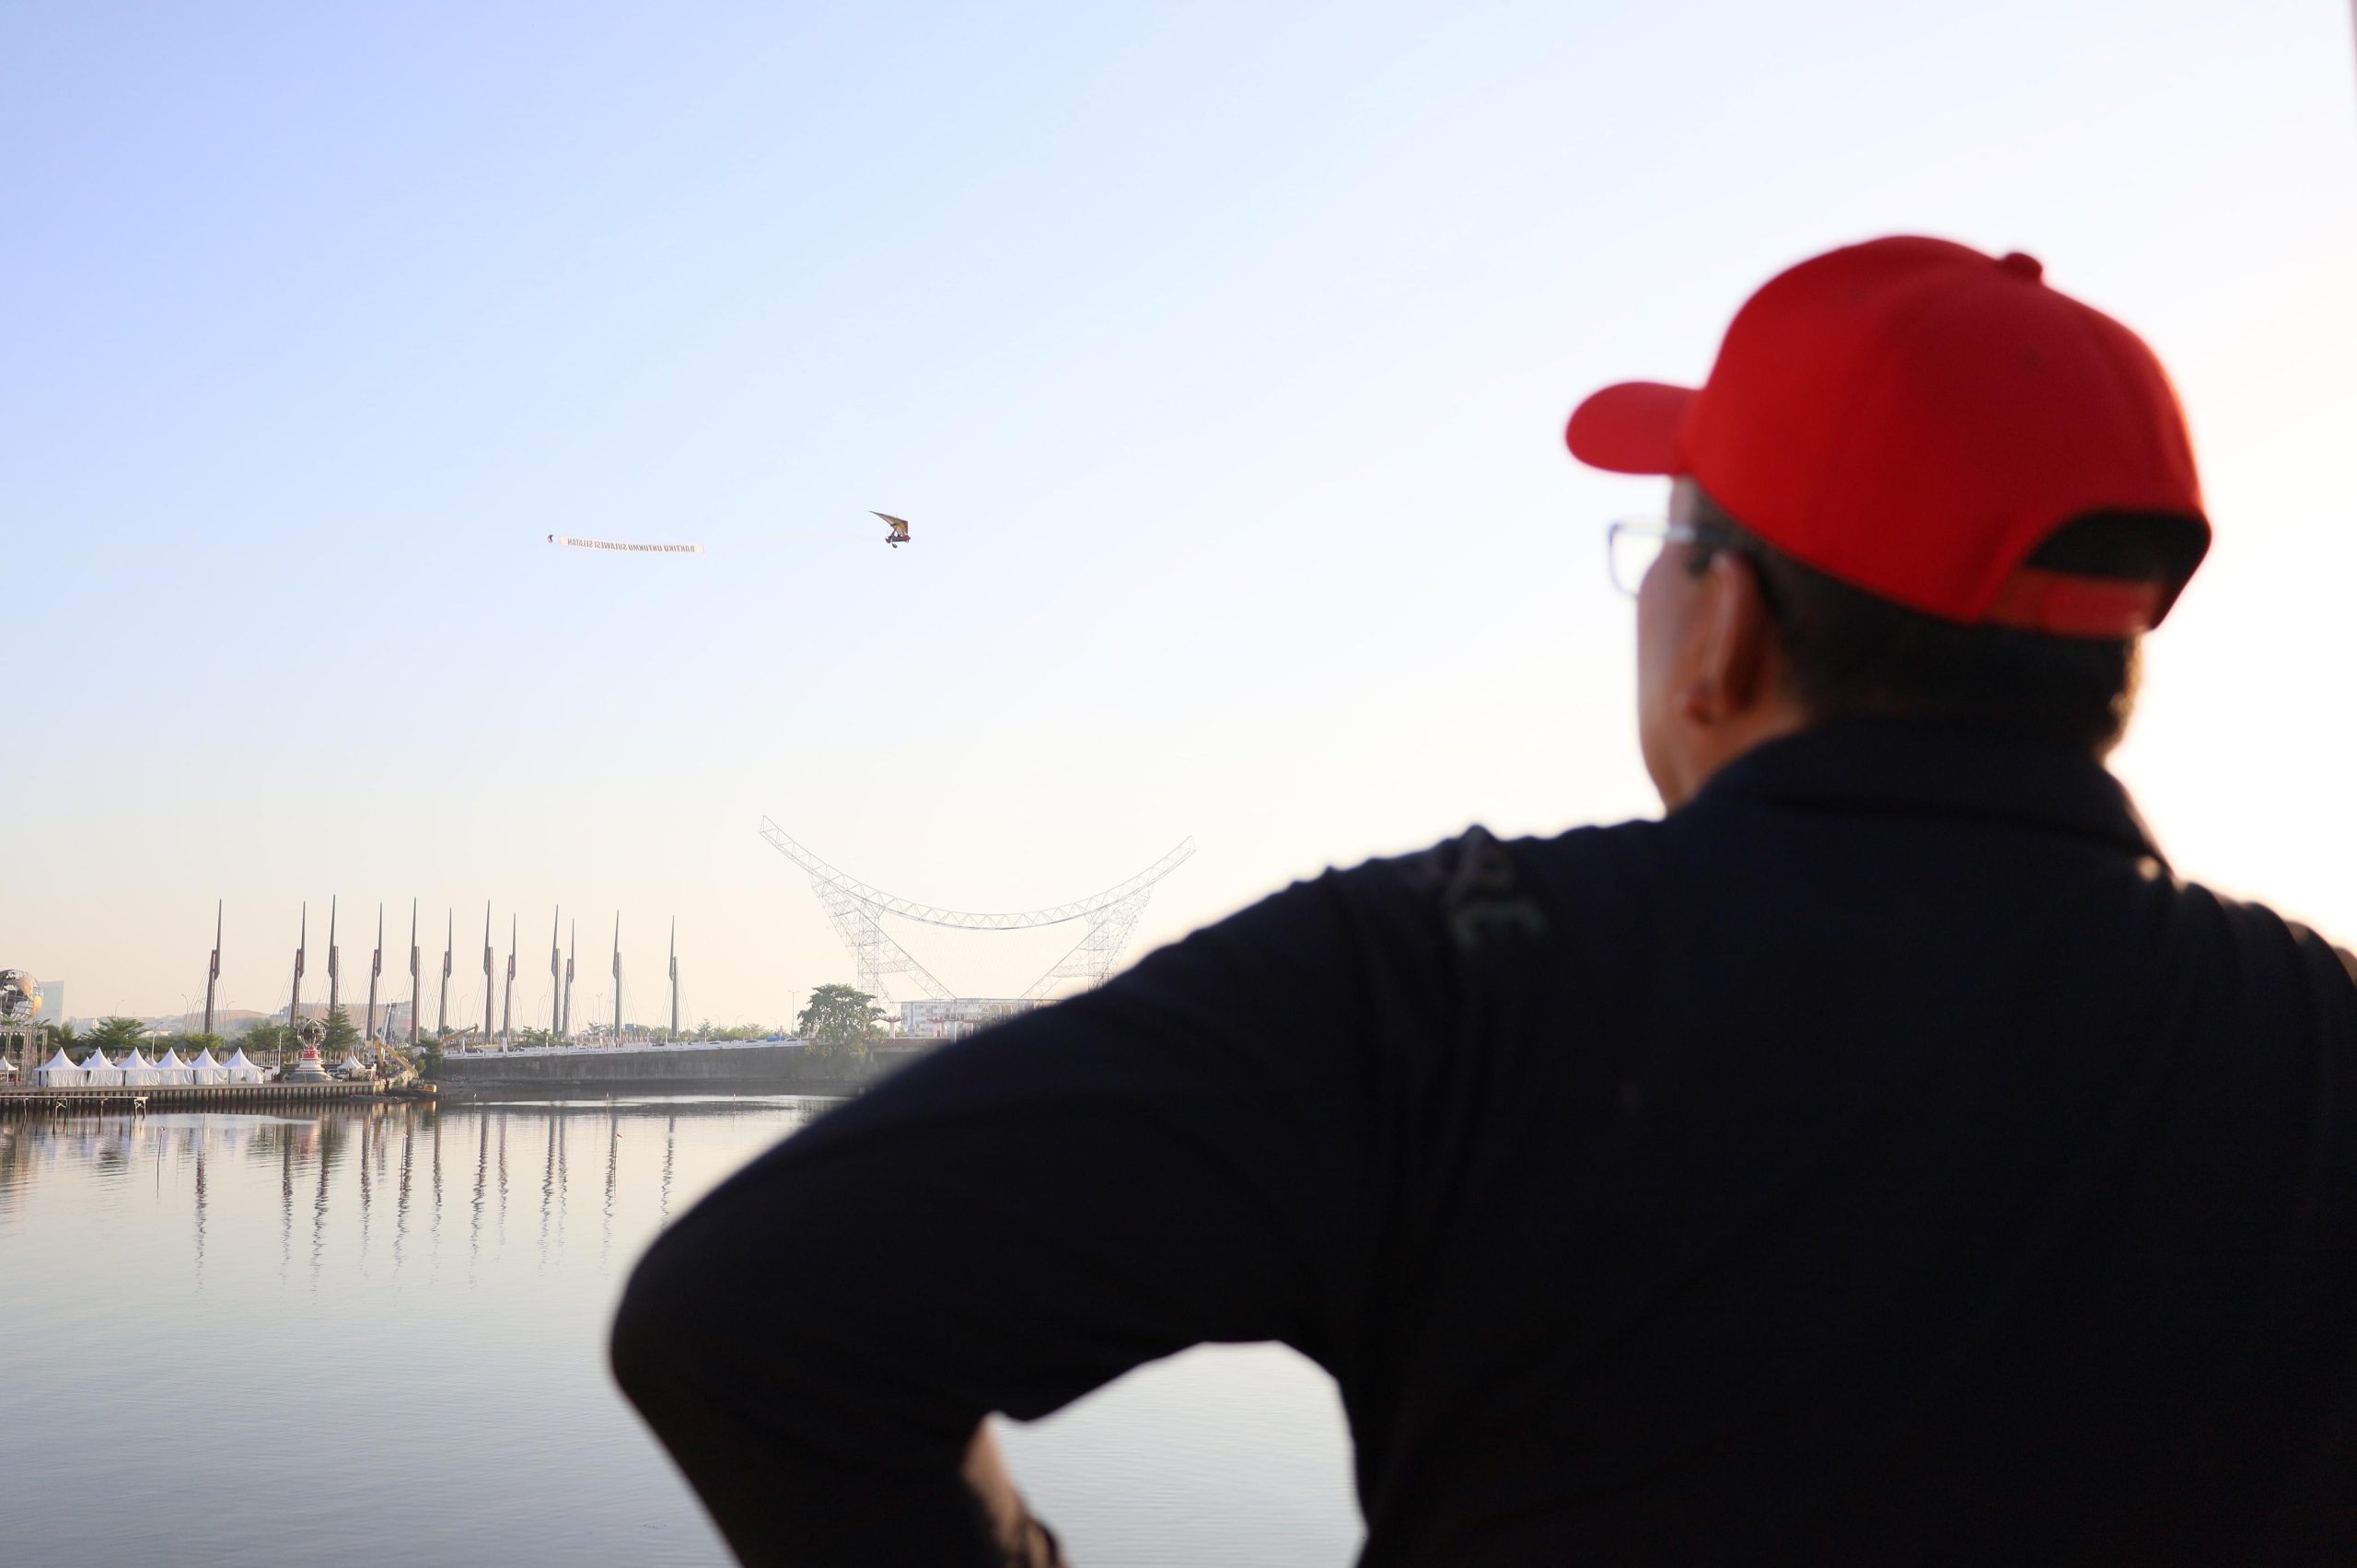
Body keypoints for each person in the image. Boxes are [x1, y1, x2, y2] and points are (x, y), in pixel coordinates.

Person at [611, 236, 2357, 1566]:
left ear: (1729, 628)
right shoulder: (2316, 1040)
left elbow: (752, 1322)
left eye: (1673, 536)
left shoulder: (1452, 982)